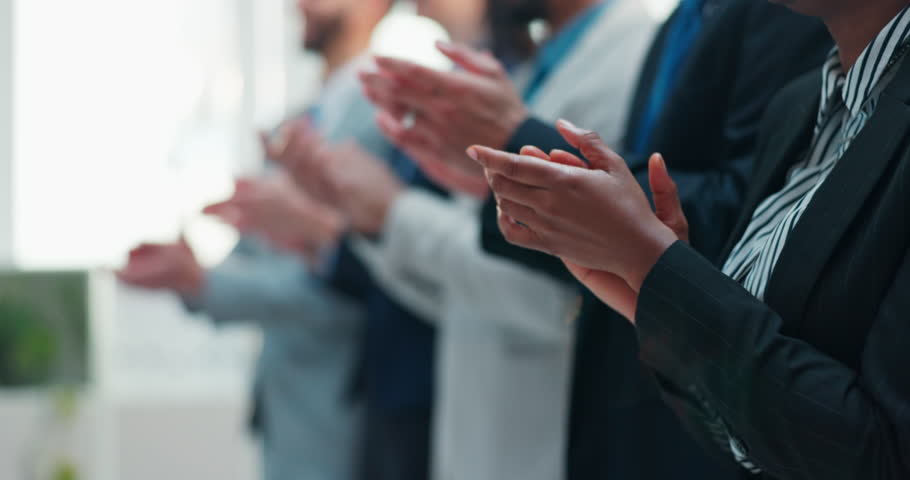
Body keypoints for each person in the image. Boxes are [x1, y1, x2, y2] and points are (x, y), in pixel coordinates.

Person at [358, 0, 831, 478]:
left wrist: (397, 212)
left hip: (692, 420)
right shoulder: (677, 21)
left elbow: (748, 212)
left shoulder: (749, 18)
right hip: (614, 412)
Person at [473, 0, 910, 478]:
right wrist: (655, 292)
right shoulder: (798, 106)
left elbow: (878, 454)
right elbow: (747, 428)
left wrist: (655, 267)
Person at [327, 1, 655, 479]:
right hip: (479, 430)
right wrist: (372, 224)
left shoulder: (627, 57)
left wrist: (396, 214)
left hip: (541, 440)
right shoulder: (537, 66)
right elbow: (456, 290)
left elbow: (559, 296)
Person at [117, 1, 396, 479]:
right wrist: (193, 272)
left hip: (344, 415)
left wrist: (204, 283)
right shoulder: (297, 119)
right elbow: (261, 254)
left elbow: (351, 282)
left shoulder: (386, 122)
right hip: (285, 410)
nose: (298, 5)